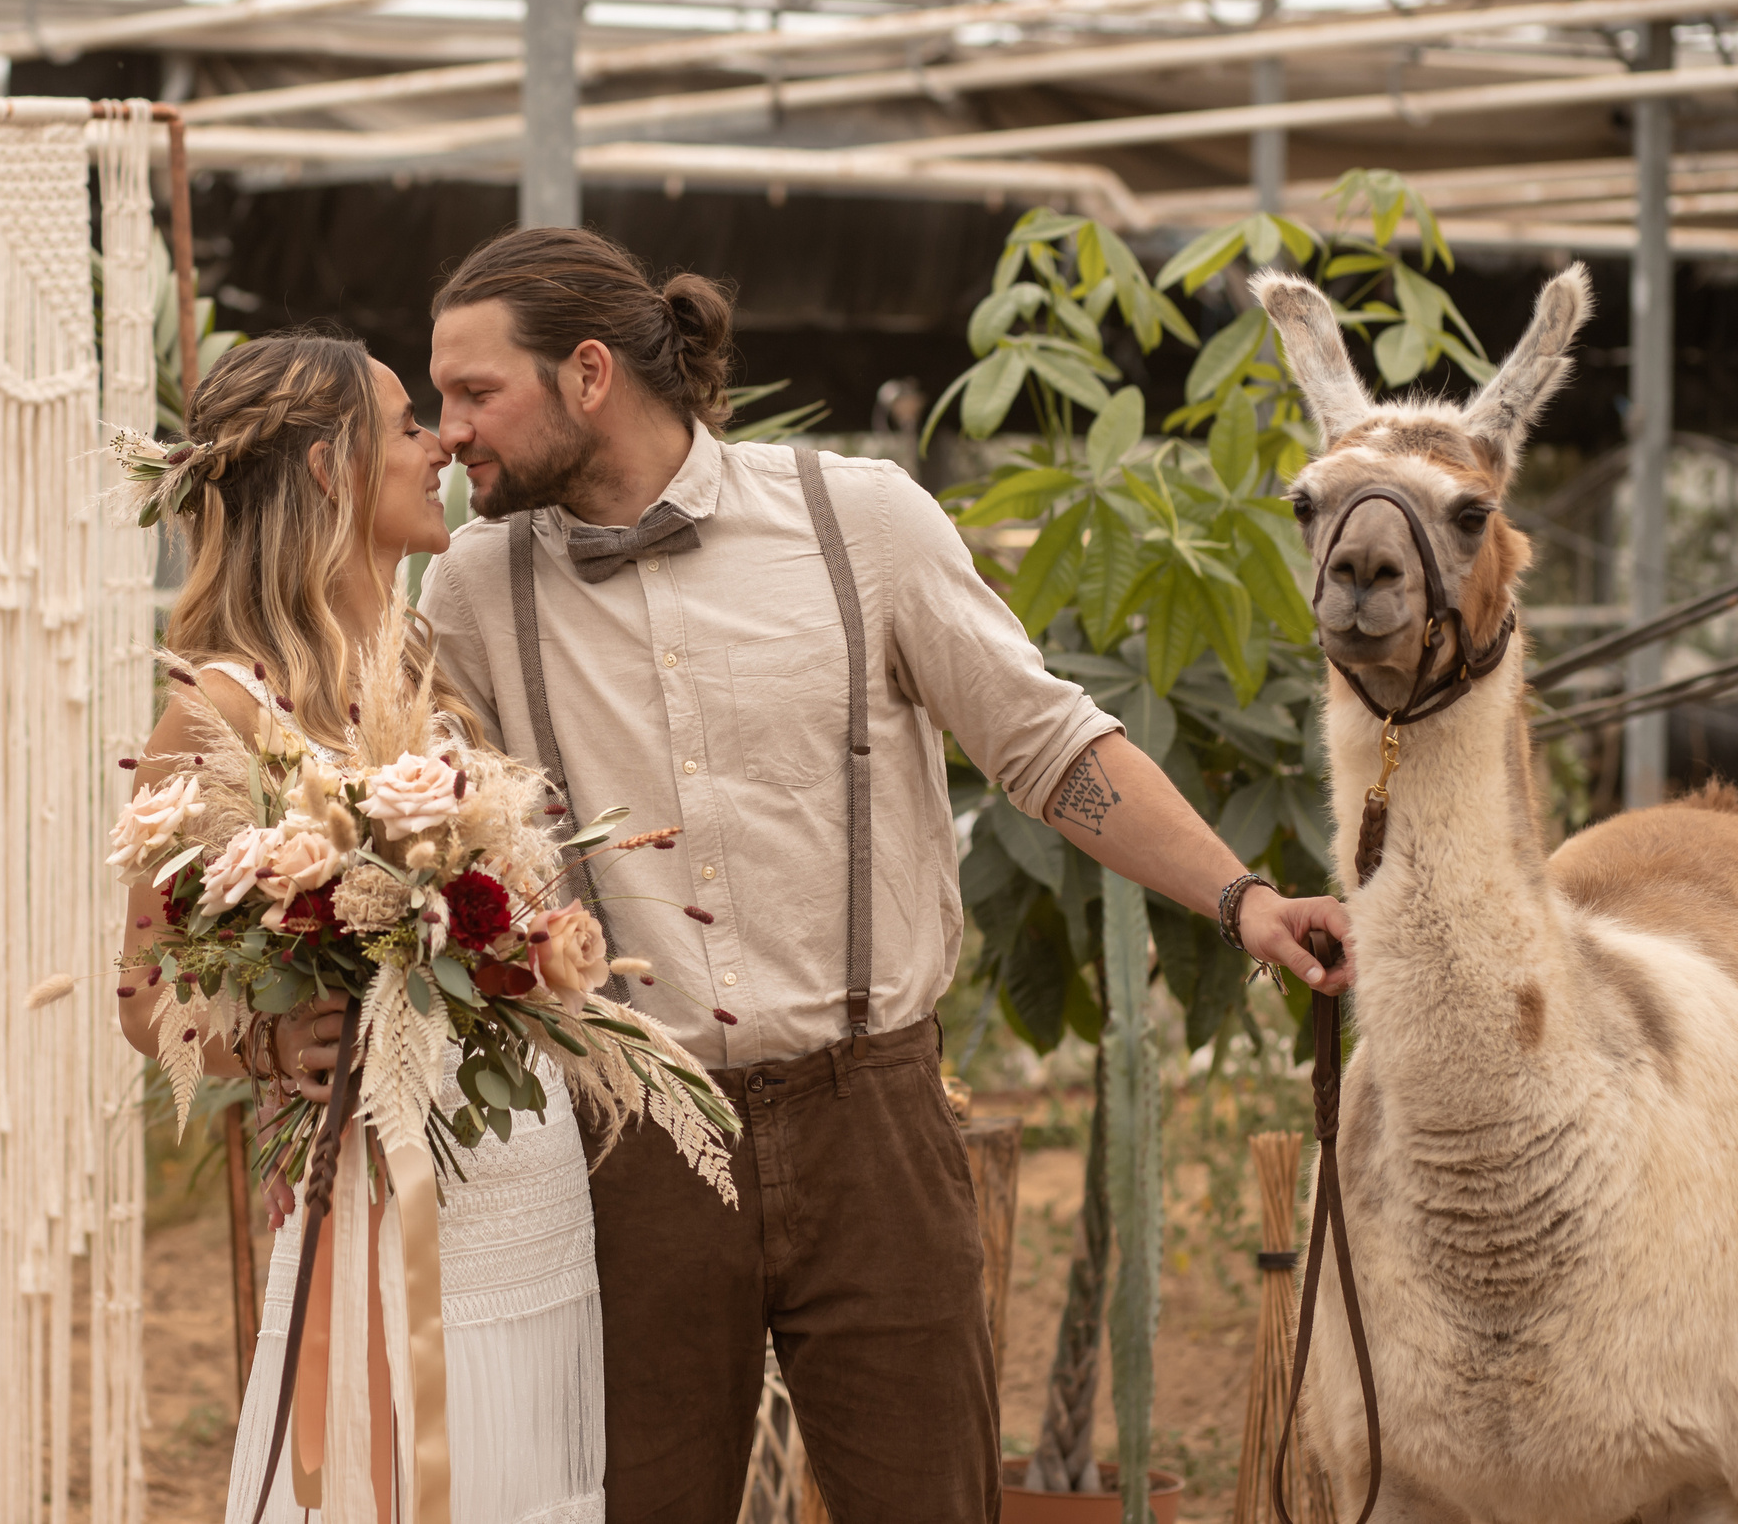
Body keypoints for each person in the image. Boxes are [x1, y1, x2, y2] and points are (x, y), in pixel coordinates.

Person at [402, 227, 1357, 1524]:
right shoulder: (471, 588)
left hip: (876, 1119)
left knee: (927, 1498)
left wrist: (1244, 899)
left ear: (585, 375)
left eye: (473, 391)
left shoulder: (860, 523)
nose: (449, 429)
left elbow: (1044, 738)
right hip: (629, 1134)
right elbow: (405, 818)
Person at [113, 330, 608, 1524]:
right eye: (404, 423)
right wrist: (274, 1048)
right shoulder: (222, 706)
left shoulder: (435, 668)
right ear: (331, 468)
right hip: (379, 1188)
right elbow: (144, 990)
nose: (438, 441)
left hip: (524, 1170)